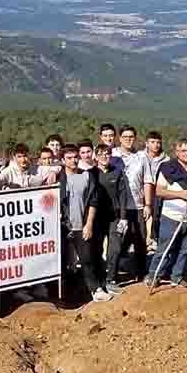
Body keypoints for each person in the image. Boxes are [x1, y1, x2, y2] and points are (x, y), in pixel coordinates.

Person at [147, 139, 187, 288]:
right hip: (171, 216)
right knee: (165, 248)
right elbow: (159, 191)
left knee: (185, 249)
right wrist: (180, 194)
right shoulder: (168, 168)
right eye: (183, 151)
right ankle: (154, 275)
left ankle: (177, 276)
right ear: (177, 153)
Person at [58, 144, 111, 302]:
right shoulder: (57, 178)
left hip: (81, 225)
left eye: (75, 157)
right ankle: (66, 294)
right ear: (62, 160)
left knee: (87, 258)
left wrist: (89, 224)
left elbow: (93, 202)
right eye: (69, 158)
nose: (73, 160)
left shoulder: (86, 176)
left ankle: (96, 289)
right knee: (63, 261)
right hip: (63, 227)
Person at [94, 144, 130, 294]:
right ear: (96, 157)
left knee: (115, 248)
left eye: (107, 154)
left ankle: (111, 279)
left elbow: (123, 195)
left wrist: (123, 217)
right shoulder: (91, 173)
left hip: (115, 218)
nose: (104, 156)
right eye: (101, 154)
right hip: (97, 218)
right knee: (97, 249)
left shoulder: (117, 172)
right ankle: (97, 280)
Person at [114, 127, 148, 282]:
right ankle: (113, 272)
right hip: (117, 207)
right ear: (119, 138)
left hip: (138, 205)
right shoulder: (112, 154)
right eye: (125, 136)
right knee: (117, 239)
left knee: (140, 238)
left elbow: (147, 181)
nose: (128, 139)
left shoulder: (141, 156)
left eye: (131, 136)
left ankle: (141, 272)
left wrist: (148, 204)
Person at [141, 131, 168, 250]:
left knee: (156, 216)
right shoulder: (140, 156)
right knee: (141, 217)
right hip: (141, 191)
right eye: (152, 142)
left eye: (158, 142)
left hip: (157, 192)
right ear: (146, 143)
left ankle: (154, 239)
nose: (156, 145)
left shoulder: (166, 159)